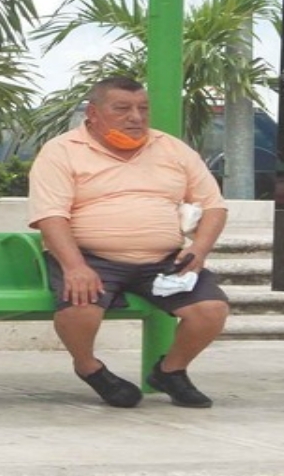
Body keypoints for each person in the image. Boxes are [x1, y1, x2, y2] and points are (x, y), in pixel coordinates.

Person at [28, 76, 230, 409]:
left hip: (163, 260)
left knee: (211, 310)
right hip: (92, 257)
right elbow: (51, 215)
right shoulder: (62, 151)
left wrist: (199, 248)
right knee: (80, 311)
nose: (135, 117)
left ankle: (171, 371)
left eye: (142, 108)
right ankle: (89, 367)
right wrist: (74, 266)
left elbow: (214, 206)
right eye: (122, 108)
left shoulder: (172, 148)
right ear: (93, 113)